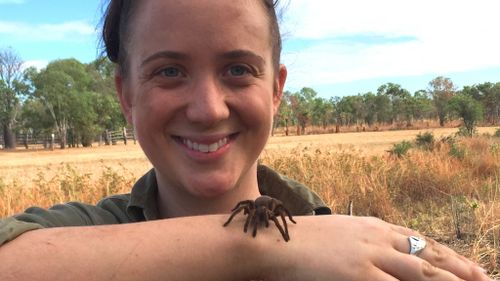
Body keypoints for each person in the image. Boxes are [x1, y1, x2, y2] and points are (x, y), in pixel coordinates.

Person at [0, 0, 493, 280]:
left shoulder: (346, 243)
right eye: (169, 71)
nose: (208, 108)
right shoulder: (83, 231)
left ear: (276, 89)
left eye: (238, 69)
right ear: (126, 94)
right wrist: (255, 251)